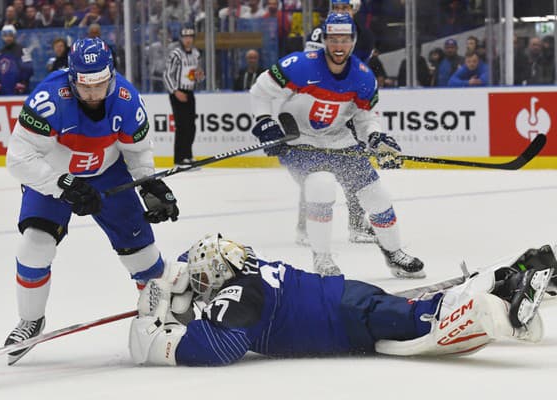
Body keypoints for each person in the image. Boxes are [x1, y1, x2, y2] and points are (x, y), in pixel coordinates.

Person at [4, 37, 180, 366]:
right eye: (86, 87)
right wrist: (62, 184)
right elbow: (18, 159)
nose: (94, 95)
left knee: (143, 257)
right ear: (71, 79)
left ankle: (162, 313)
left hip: (109, 172)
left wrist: (149, 185)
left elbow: (137, 151)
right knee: (34, 245)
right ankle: (31, 321)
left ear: (111, 75)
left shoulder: (127, 100)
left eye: (101, 85)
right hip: (54, 174)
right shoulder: (49, 99)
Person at [128, 233, 555, 366]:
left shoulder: (238, 294)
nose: (199, 286)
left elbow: (220, 347)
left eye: (201, 278)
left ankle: (507, 288)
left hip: (349, 316)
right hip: (347, 299)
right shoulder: (249, 269)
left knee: (418, 321)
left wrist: (154, 328)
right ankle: (514, 274)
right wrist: (175, 301)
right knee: (408, 312)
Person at [249, 13, 423, 278]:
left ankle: (394, 252)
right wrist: (264, 122)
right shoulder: (299, 65)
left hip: (340, 140)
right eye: (333, 39)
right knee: (321, 186)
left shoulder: (364, 78)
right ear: (325, 40)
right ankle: (322, 258)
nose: (338, 46)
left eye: (344, 40)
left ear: (353, 42)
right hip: (300, 142)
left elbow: (366, 118)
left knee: (377, 196)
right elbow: (260, 92)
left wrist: (375, 137)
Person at [298, 0, 377, 247]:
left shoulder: (365, 37)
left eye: (346, 8)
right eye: (337, 8)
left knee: (356, 166)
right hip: (320, 108)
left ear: (355, 10)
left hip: (349, 108)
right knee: (314, 169)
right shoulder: (319, 33)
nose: (341, 13)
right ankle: (305, 226)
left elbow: (358, 73)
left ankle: (356, 223)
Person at [163, 24, 204, 168]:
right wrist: (175, 91)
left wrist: (200, 76)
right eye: (185, 37)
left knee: (191, 125)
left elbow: (197, 74)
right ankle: (179, 158)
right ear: (181, 38)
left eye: (190, 37)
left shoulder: (196, 54)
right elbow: (167, 74)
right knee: (182, 125)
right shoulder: (176, 54)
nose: (188, 40)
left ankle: (188, 155)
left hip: (189, 91)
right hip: (177, 92)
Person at [0, 25, 33, 95]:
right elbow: (1, 71)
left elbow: (29, 68)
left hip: (19, 89)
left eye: (10, 35)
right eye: (5, 36)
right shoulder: (0, 53)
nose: (8, 38)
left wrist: (23, 82)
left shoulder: (22, 50)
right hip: (5, 89)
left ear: (14, 36)